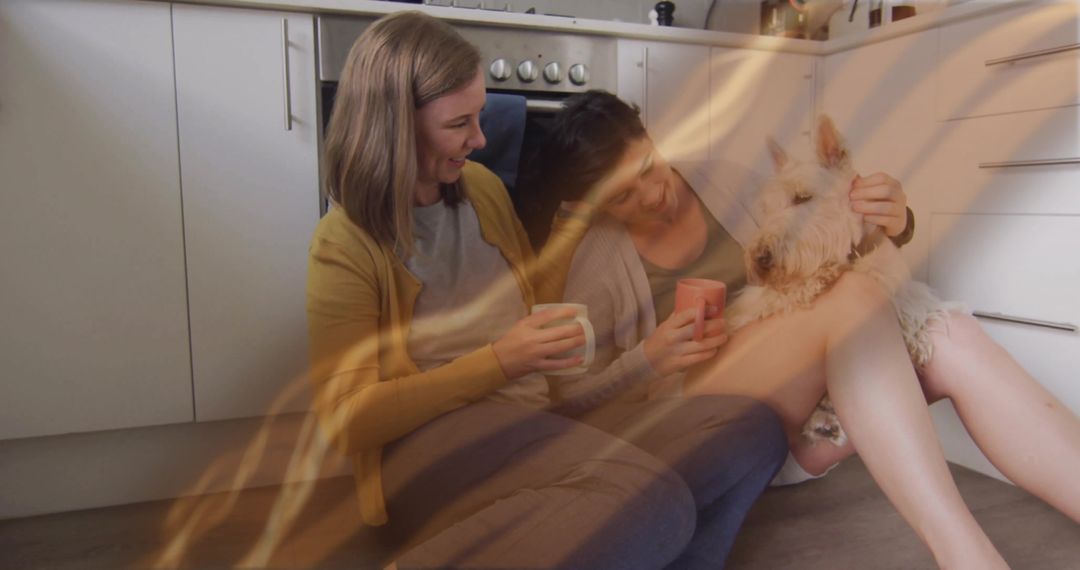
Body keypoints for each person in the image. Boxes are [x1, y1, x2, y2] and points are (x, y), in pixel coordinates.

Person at [307, 12, 786, 569]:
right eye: (459, 123)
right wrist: (500, 363)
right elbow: (346, 420)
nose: (481, 139)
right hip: (431, 448)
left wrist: (575, 232)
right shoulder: (344, 243)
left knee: (750, 431)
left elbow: (534, 305)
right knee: (652, 501)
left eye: (480, 116)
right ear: (396, 126)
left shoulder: (480, 190)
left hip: (536, 422)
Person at [529, 90, 1080, 569]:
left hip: (820, 407)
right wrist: (648, 357)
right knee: (860, 298)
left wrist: (897, 219)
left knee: (949, 335)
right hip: (705, 420)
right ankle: (969, 559)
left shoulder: (728, 182)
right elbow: (567, 397)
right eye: (623, 195)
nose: (651, 194)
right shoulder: (598, 261)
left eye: (649, 165)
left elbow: (838, 240)